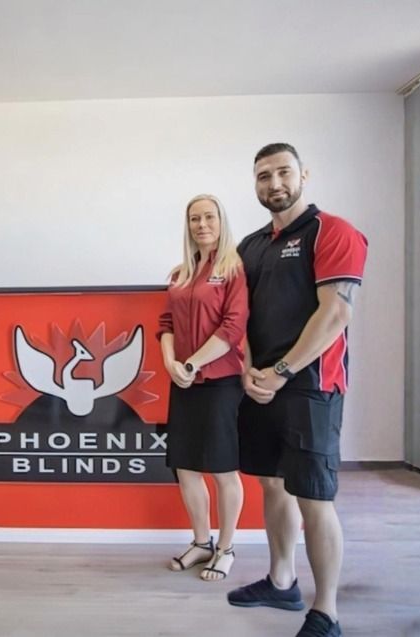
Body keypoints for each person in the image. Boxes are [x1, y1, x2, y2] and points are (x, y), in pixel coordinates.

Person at [227, 143, 367, 637]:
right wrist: (249, 368)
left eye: (283, 172)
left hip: (311, 386)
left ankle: (326, 611)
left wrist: (281, 372)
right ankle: (282, 581)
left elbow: (335, 313)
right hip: (260, 385)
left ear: (303, 174)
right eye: (263, 175)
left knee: (313, 496)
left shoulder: (334, 232)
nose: (273, 183)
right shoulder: (250, 245)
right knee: (271, 484)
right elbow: (239, 315)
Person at [158, 194, 248, 582]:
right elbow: (165, 322)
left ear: (221, 221)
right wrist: (170, 363)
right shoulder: (180, 273)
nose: (202, 224)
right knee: (186, 467)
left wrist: (193, 363)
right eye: (195, 218)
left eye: (209, 217)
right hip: (183, 380)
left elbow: (232, 328)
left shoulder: (234, 270)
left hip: (220, 381)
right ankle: (201, 542)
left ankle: (226, 548)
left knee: (223, 469)